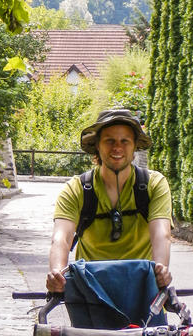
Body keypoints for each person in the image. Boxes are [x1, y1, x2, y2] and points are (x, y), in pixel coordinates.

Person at [46, 108, 172, 293]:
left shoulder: (154, 185)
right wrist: (57, 273)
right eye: (109, 141)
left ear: (135, 146)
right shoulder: (76, 189)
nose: (117, 148)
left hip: (143, 293)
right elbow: (61, 238)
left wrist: (161, 269)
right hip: (90, 295)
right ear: (97, 145)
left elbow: (161, 234)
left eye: (125, 141)